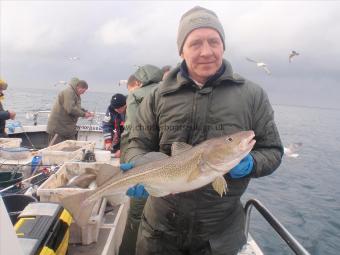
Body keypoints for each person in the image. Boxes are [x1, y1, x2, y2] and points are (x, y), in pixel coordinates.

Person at [124, 6, 283, 255]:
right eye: (195, 43)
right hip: (159, 233)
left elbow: (272, 150)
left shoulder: (252, 95)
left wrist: (251, 163)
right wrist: (138, 166)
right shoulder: (158, 95)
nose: (206, 51)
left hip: (220, 238)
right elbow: (137, 143)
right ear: (181, 50)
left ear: (223, 46)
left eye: (214, 41)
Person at [118, 64, 163, 255]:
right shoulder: (168, 92)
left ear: (137, 82)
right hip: (166, 162)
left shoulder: (135, 95)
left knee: (137, 212)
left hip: (142, 158)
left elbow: (134, 133)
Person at [47, 77, 93, 145]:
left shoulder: (75, 94)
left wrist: (85, 112)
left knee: (71, 147)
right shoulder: (69, 92)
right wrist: (84, 114)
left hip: (67, 129)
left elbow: (76, 107)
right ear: (79, 87)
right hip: (58, 129)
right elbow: (70, 108)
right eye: (83, 91)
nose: (83, 93)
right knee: (53, 151)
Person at [102, 93, 126, 158]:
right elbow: (106, 125)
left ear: (125, 105)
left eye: (119, 108)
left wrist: (123, 150)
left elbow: (133, 133)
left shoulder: (131, 110)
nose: (117, 110)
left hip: (128, 137)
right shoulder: (111, 109)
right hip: (119, 134)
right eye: (115, 108)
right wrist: (108, 141)